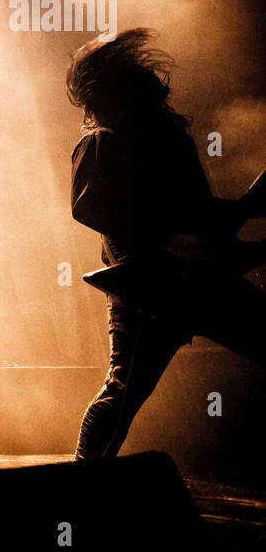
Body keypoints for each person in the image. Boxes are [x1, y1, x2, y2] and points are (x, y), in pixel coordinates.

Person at [67, 28, 266, 460]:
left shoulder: (173, 139)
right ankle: (80, 489)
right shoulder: (102, 140)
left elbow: (198, 215)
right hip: (146, 288)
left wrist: (247, 208)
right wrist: (164, 239)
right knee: (122, 395)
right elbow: (87, 208)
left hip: (200, 284)